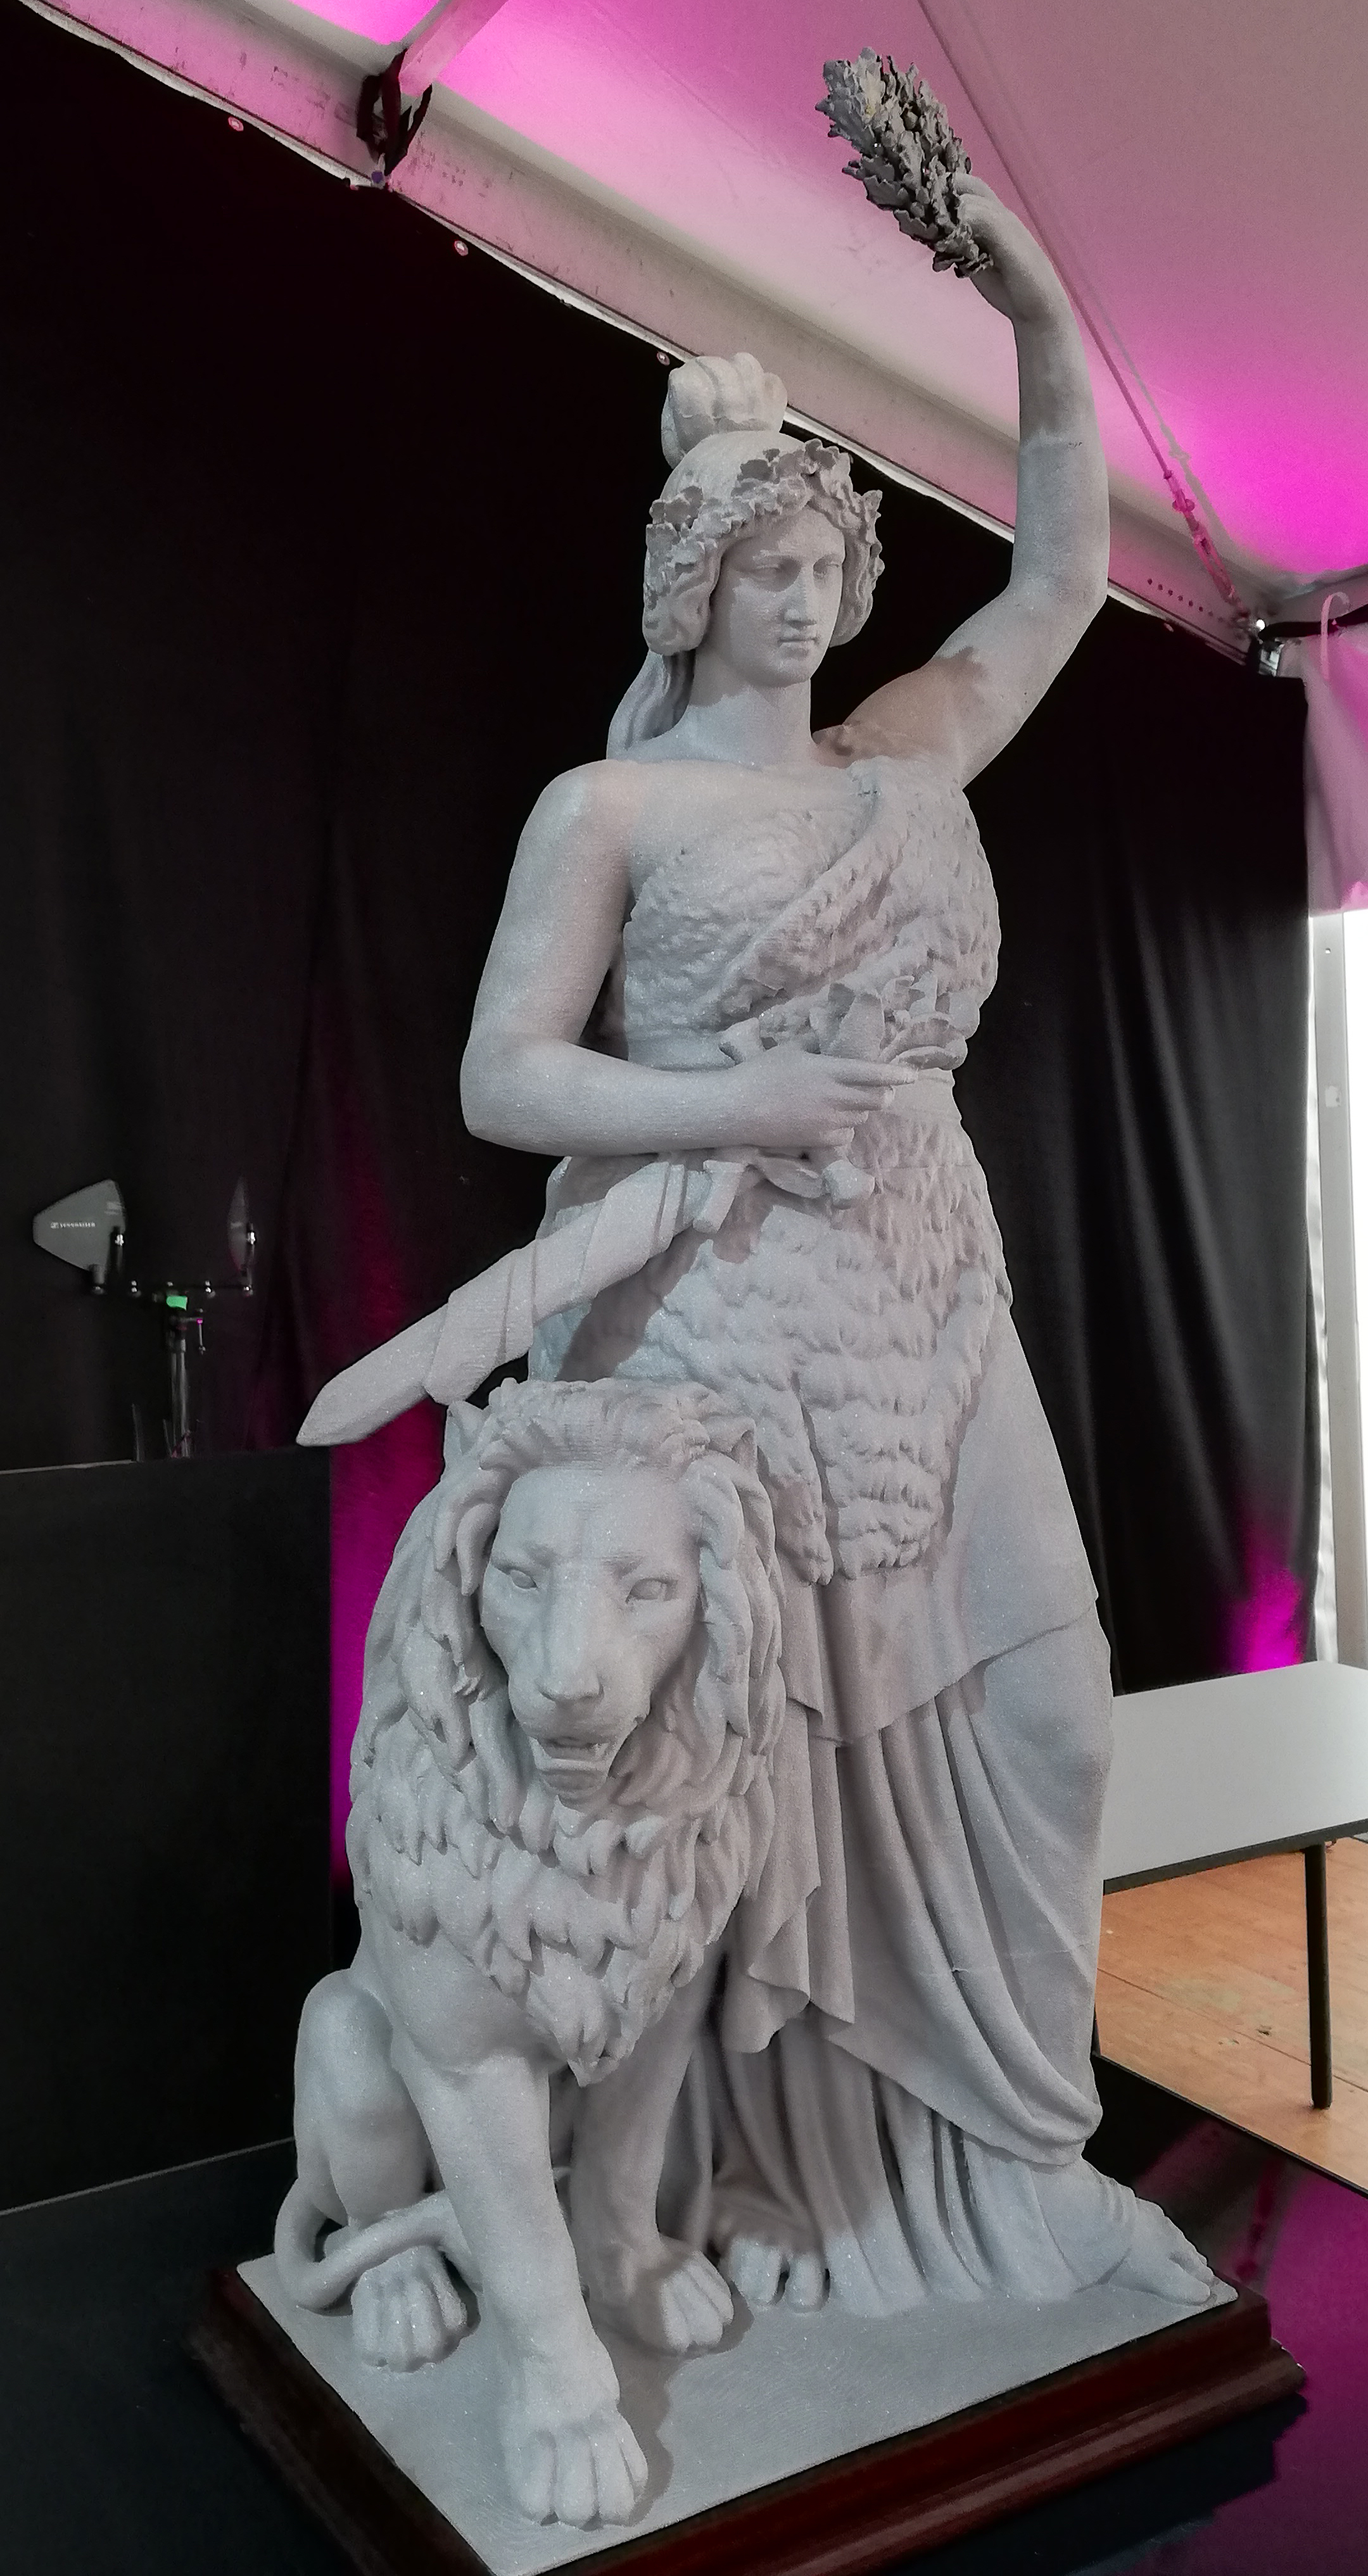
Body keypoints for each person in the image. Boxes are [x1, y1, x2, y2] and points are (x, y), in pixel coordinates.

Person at [459, 174, 1212, 2316]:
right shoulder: (611, 812)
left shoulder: (907, 754)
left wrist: (1031, 290)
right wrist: (740, 1104)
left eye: (827, 566)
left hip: (929, 1296)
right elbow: (507, 1074)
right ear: (693, 588)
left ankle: (1019, 2153)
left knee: (1053, 1718)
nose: (805, 602)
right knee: (755, 1788)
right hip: (716, 1321)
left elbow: (1062, 571)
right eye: (766, 569)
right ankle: (732, 2196)